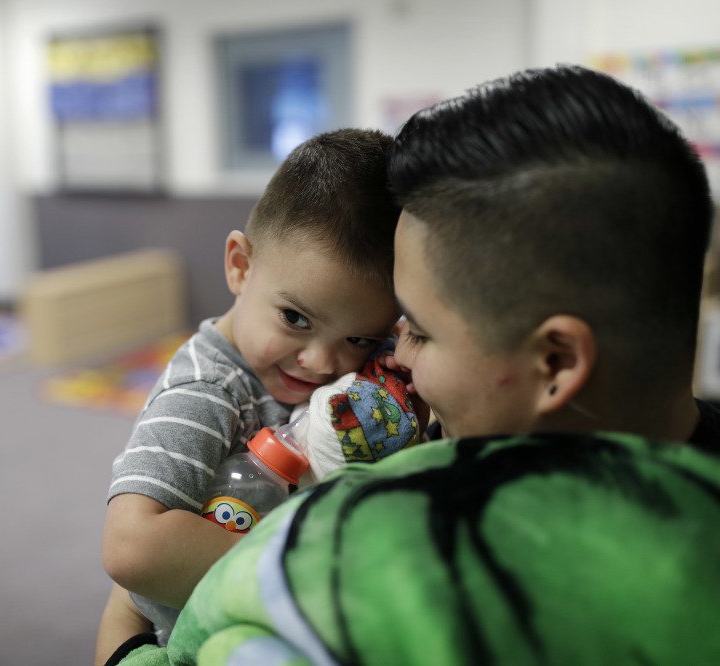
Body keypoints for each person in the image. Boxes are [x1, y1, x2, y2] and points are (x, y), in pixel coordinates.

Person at [107, 65, 720, 665]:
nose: (394, 358)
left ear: (554, 363)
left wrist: (125, 643)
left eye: (417, 333)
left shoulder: (410, 569)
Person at [96, 128, 404, 662]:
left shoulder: (349, 368)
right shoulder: (208, 391)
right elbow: (131, 548)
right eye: (295, 318)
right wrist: (306, 573)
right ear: (240, 265)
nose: (323, 362)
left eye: (359, 338)